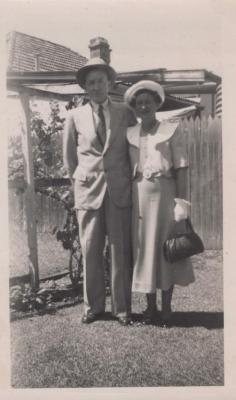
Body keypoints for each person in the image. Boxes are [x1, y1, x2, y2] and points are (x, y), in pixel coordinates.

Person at [63, 57, 136, 325]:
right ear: (85, 87)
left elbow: (132, 150)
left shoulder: (125, 112)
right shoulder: (74, 116)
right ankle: (92, 307)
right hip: (88, 191)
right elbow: (69, 158)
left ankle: (122, 309)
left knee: (120, 250)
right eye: (90, 82)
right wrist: (78, 182)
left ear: (110, 83)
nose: (96, 86)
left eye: (100, 81)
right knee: (91, 249)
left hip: (118, 190)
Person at [124, 80, 195, 327]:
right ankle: (149, 308)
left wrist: (181, 203)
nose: (144, 106)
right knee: (144, 250)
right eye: (139, 103)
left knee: (166, 251)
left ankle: (167, 309)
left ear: (157, 104)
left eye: (148, 102)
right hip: (140, 197)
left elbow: (182, 167)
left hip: (165, 196)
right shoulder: (130, 133)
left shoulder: (171, 130)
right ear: (135, 107)